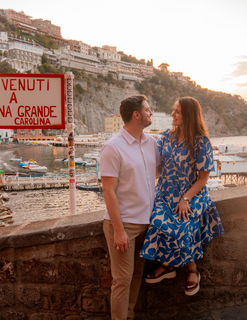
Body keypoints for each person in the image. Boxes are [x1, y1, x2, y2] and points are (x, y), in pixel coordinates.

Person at [140, 97, 225, 296]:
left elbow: (203, 178)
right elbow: (157, 169)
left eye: (177, 111)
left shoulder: (201, 141)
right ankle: (168, 265)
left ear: (188, 115)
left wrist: (185, 199)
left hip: (191, 194)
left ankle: (192, 269)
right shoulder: (166, 137)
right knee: (158, 223)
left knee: (182, 225)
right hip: (165, 194)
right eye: (173, 110)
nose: (173, 114)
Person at [100, 95, 159, 320]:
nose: (150, 112)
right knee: (122, 280)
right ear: (136, 115)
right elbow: (109, 191)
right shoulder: (113, 148)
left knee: (136, 276)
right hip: (124, 224)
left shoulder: (151, 143)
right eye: (147, 109)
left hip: (147, 223)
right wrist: (119, 230)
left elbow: (161, 173)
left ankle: (129, 315)